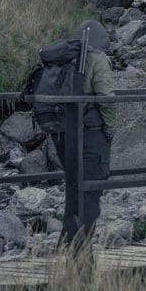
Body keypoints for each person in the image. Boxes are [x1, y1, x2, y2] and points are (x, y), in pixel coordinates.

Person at [49, 20, 117, 239]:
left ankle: (67, 245)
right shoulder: (97, 58)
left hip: (61, 132)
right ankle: (81, 251)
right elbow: (106, 99)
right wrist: (110, 129)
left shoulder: (64, 57)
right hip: (89, 132)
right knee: (90, 191)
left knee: (73, 188)